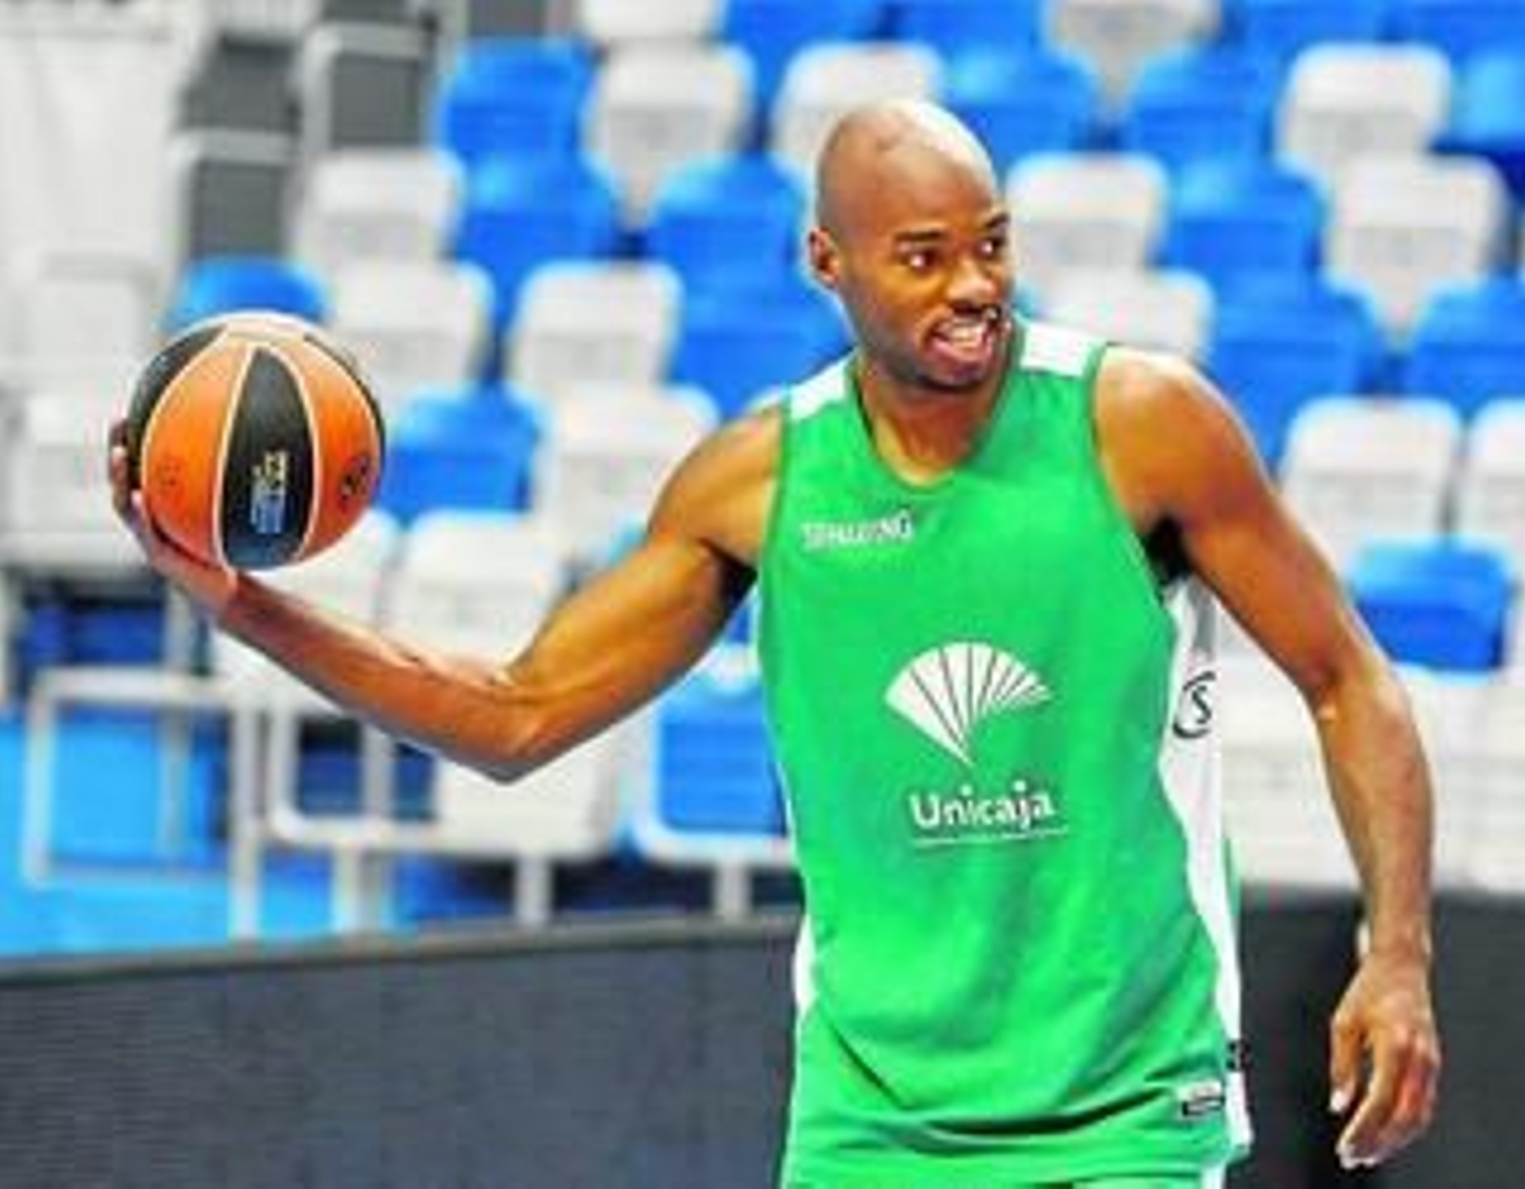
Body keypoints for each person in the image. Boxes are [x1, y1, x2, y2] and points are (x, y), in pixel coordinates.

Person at [110, 100, 1439, 1187]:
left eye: (992, 245)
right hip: (871, 1116)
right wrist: (241, 602)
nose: (974, 285)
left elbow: (1348, 679)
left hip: (1126, 1105)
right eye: (924, 256)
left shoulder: (1141, 425)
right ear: (826, 262)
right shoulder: (759, 480)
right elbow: (518, 716)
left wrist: (1398, 954)